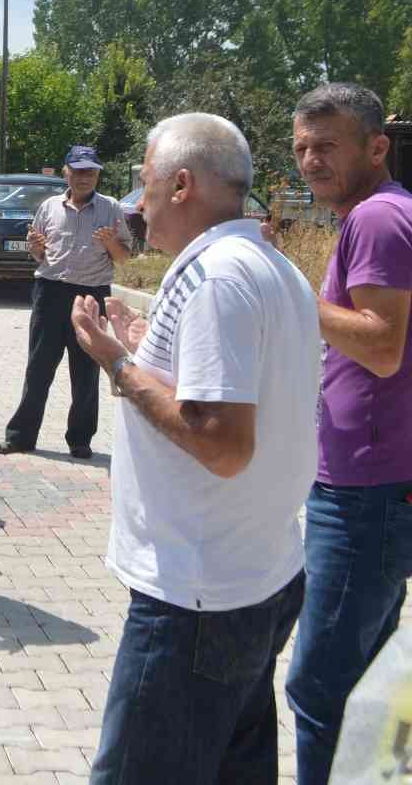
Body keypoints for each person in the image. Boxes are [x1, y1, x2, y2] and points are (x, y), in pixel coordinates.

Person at [70, 113, 317, 784]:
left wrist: (117, 365)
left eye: (143, 181)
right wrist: (145, 345)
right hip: (251, 577)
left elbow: (222, 442)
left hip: (198, 598)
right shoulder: (268, 267)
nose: (135, 200)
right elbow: (231, 391)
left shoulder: (216, 279)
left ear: (181, 184)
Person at [285, 84, 412, 785]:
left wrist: (300, 298)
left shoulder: (379, 220)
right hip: (372, 484)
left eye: (327, 145)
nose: (310, 160)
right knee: (366, 680)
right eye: (302, 147)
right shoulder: (384, 215)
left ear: (376, 145)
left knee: (320, 687)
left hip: (363, 492)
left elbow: (383, 344)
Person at [0, 145, 131, 460]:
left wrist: (111, 243)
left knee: (85, 371)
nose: (84, 178)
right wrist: (35, 248)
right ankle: (20, 436)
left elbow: (123, 258)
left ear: (98, 174)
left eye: (91, 172)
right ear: (66, 172)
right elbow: (39, 253)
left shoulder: (111, 208)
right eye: (78, 171)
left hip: (90, 296)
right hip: (50, 292)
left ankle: (80, 439)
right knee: (38, 367)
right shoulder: (48, 207)